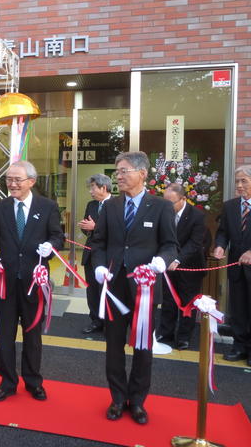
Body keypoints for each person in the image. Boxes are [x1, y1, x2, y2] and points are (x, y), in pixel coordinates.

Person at [92, 151, 177, 425]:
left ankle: (138, 401)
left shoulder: (161, 206)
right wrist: (99, 265)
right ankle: (117, 398)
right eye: (117, 171)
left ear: (142, 173)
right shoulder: (111, 206)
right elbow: (99, 243)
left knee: (143, 347)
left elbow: (169, 244)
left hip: (146, 287)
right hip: (114, 287)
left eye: (124, 170)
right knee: (113, 345)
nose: (118, 175)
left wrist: (162, 262)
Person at [0, 160, 64, 402]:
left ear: (31, 181)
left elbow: (58, 236)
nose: (12, 184)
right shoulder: (0, 207)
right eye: (9, 179)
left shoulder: (47, 207)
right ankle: (7, 381)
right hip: (5, 280)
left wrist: (51, 247)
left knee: (32, 334)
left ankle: (33, 381)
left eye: (17, 179)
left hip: (34, 281)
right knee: (5, 334)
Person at [213, 165, 251, 368]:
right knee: (238, 309)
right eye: (237, 181)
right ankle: (239, 345)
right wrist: (219, 246)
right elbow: (223, 231)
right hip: (236, 267)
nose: (239, 185)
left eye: (244, 181)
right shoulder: (230, 206)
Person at [157, 183, 206, 350]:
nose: (167, 206)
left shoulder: (197, 216)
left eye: (171, 202)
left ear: (183, 199)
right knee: (168, 299)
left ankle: (184, 336)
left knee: (187, 302)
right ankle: (165, 332)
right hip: (168, 266)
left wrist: (177, 260)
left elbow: (195, 243)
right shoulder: (164, 213)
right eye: (165, 202)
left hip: (190, 266)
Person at [77, 173, 112, 335]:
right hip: (91, 253)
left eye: (93, 187)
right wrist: (85, 227)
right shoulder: (91, 205)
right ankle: (95, 320)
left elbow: (117, 231)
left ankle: (109, 323)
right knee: (92, 290)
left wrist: (95, 227)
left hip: (108, 256)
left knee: (106, 290)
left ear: (103, 187)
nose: (90, 191)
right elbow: (87, 228)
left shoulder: (117, 204)